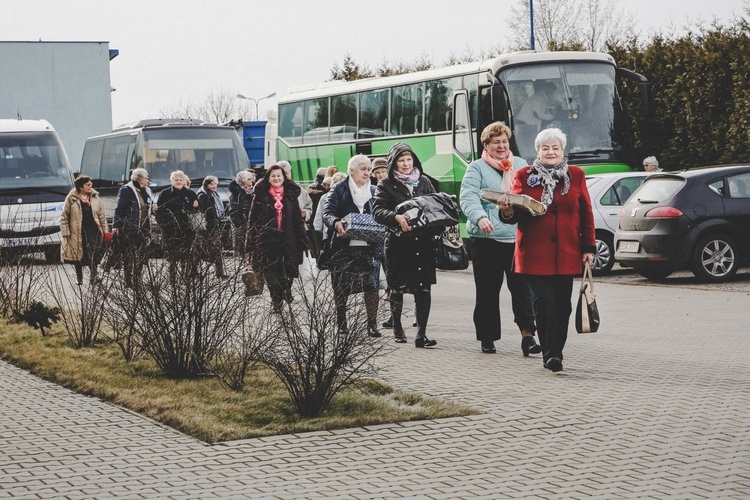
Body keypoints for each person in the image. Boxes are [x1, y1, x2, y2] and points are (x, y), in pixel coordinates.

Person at [498, 128, 595, 373]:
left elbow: (586, 215)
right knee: (544, 303)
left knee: (563, 306)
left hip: (567, 253)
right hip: (534, 254)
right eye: (545, 148)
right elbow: (515, 212)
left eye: (555, 148)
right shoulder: (523, 175)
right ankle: (551, 355)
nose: (550, 152)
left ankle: (558, 350)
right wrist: (507, 209)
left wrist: (588, 248)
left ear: (563, 151)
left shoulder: (576, 175)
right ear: (537, 151)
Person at [459, 122, 539, 356]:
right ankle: (487, 337)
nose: (502, 146)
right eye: (496, 142)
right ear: (486, 145)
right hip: (487, 239)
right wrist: (481, 217)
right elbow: (468, 198)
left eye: (505, 141)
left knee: (523, 291)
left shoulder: (522, 165)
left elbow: (532, 195)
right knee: (487, 292)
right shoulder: (476, 168)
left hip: (516, 240)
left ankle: (528, 337)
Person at [373, 142, 440, 348]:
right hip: (398, 244)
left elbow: (434, 205)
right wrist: (395, 217)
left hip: (423, 243)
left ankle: (421, 334)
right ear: (394, 163)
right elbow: (377, 212)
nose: (405, 164)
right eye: (401, 160)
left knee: (424, 288)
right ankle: (398, 328)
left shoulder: (424, 182)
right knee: (397, 288)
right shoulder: (386, 184)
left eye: (408, 159)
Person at [323, 155, 384, 337]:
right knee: (341, 287)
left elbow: (382, 212)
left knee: (372, 287)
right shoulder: (338, 190)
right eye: (363, 169)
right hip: (343, 247)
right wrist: (336, 223)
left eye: (368, 169)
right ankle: (342, 323)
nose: (368, 172)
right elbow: (327, 213)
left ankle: (372, 324)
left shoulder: (375, 191)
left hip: (370, 247)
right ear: (351, 171)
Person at [247, 164, 310, 312]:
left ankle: (284, 292)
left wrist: (304, 241)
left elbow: (297, 220)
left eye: (279, 176)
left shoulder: (291, 195)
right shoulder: (260, 196)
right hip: (267, 240)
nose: (276, 178)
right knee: (271, 273)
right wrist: (250, 242)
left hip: (289, 240)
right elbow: (253, 219)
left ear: (284, 178)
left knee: (288, 272)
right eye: (273, 176)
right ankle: (276, 301)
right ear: (268, 178)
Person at [112, 168, 155, 288]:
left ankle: (138, 278)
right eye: (147, 178)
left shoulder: (146, 190)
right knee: (128, 254)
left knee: (142, 254)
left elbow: (149, 205)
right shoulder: (126, 190)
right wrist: (116, 225)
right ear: (140, 179)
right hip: (130, 227)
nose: (148, 181)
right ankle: (128, 280)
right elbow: (119, 208)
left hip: (144, 227)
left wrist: (154, 206)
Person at [60, 175, 108, 285]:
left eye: (91, 184)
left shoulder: (95, 197)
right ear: (81, 187)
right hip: (77, 230)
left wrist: (106, 231)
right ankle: (79, 277)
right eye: (87, 185)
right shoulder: (71, 198)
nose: (90, 186)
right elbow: (64, 216)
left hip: (93, 230)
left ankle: (93, 277)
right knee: (79, 254)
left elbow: (102, 216)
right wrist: (65, 232)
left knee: (94, 252)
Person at [155, 170, 199, 272]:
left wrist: (196, 207)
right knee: (172, 256)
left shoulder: (190, 193)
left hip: (187, 229)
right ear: (171, 181)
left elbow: (197, 213)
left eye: (180, 180)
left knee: (187, 254)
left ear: (184, 181)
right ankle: (173, 278)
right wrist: (164, 226)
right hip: (170, 229)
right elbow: (159, 212)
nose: (178, 182)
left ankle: (186, 275)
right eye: (176, 180)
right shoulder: (165, 194)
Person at [197, 175, 228, 278]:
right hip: (207, 226)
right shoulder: (203, 195)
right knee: (207, 249)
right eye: (212, 184)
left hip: (215, 225)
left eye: (215, 183)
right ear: (206, 184)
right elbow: (204, 211)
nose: (214, 186)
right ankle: (197, 270)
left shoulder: (214, 194)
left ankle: (220, 272)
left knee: (218, 248)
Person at [228, 169, 256, 257]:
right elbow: (234, 212)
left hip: (254, 224)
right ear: (243, 181)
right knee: (243, 250)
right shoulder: (236, 194)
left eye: (252, 179)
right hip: (243, 226)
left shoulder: (255, 191)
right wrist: (242, 225)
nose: (252, 181)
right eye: (249, 179)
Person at [314, 172, 347, 240]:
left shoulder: (349, 197)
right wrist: (318, 237)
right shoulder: (325, 198)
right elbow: (318, 218)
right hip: (328, 235)